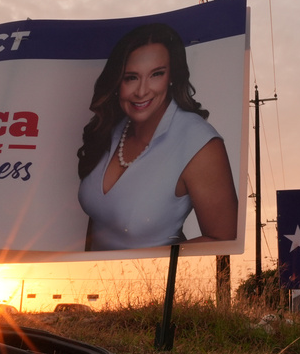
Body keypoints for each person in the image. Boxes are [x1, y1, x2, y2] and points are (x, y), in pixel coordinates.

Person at [76, 23, 238, 251]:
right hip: (94, 282)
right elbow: (98, 223)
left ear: (172, 76)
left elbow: (223, 239)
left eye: (156, 74)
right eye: (130, 77)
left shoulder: (199, 143)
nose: (142, 91)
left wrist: (148, 276)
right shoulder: (111, 127)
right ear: (116, 82)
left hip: (155, 283)